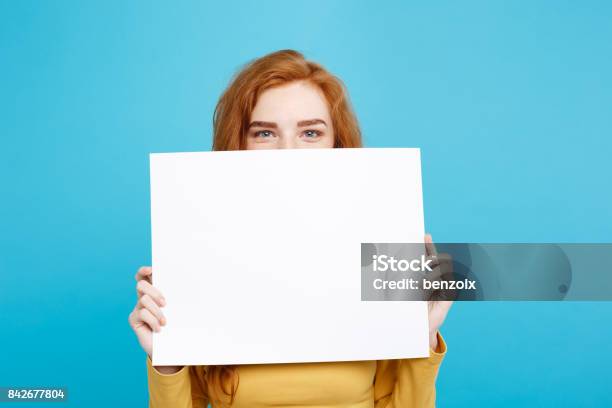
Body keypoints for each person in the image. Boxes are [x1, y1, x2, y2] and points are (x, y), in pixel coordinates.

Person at [128, 49, 453, 408]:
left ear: (337, 145)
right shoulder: (201, 255)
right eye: (265, 133)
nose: (289, 152)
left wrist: (419, 333)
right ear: (239, 145)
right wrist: (169, 357)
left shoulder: (374, 256)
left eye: (310, 132)